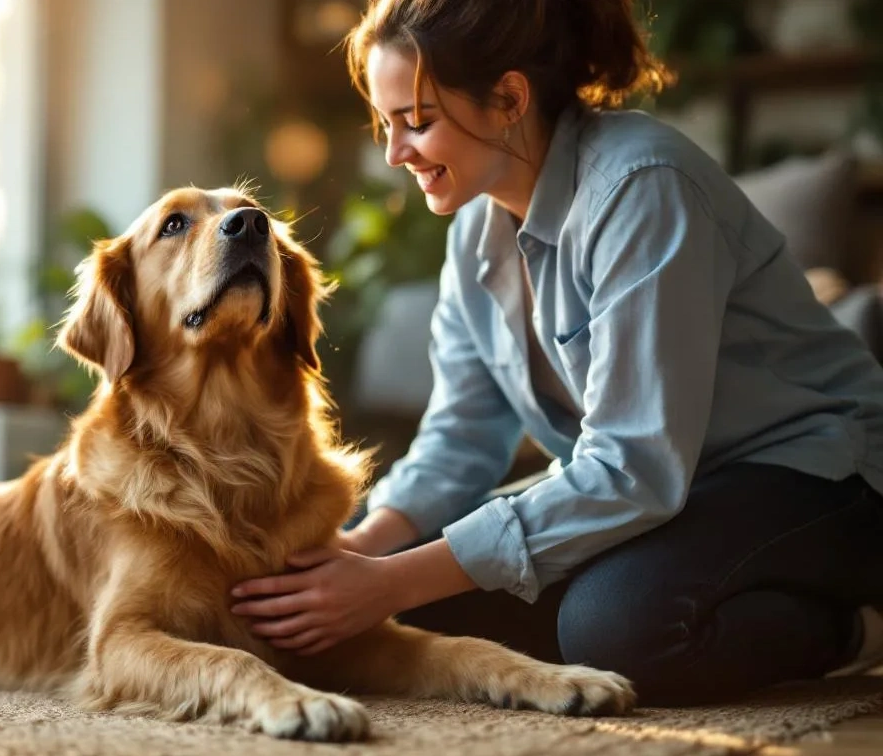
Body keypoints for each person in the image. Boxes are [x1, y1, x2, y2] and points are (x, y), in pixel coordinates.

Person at [230, 0, 883, 706]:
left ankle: (855, 630)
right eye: (386, 125)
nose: (396, 154)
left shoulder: (640, 188)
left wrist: (390, 581)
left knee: (617, 626)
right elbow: (460, 441)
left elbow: (632, 466)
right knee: (407, 604)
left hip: (822, 472)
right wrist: (359, 552)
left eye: (416, 122)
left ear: (510, 99)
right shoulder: (475, 231)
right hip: (673, 493)